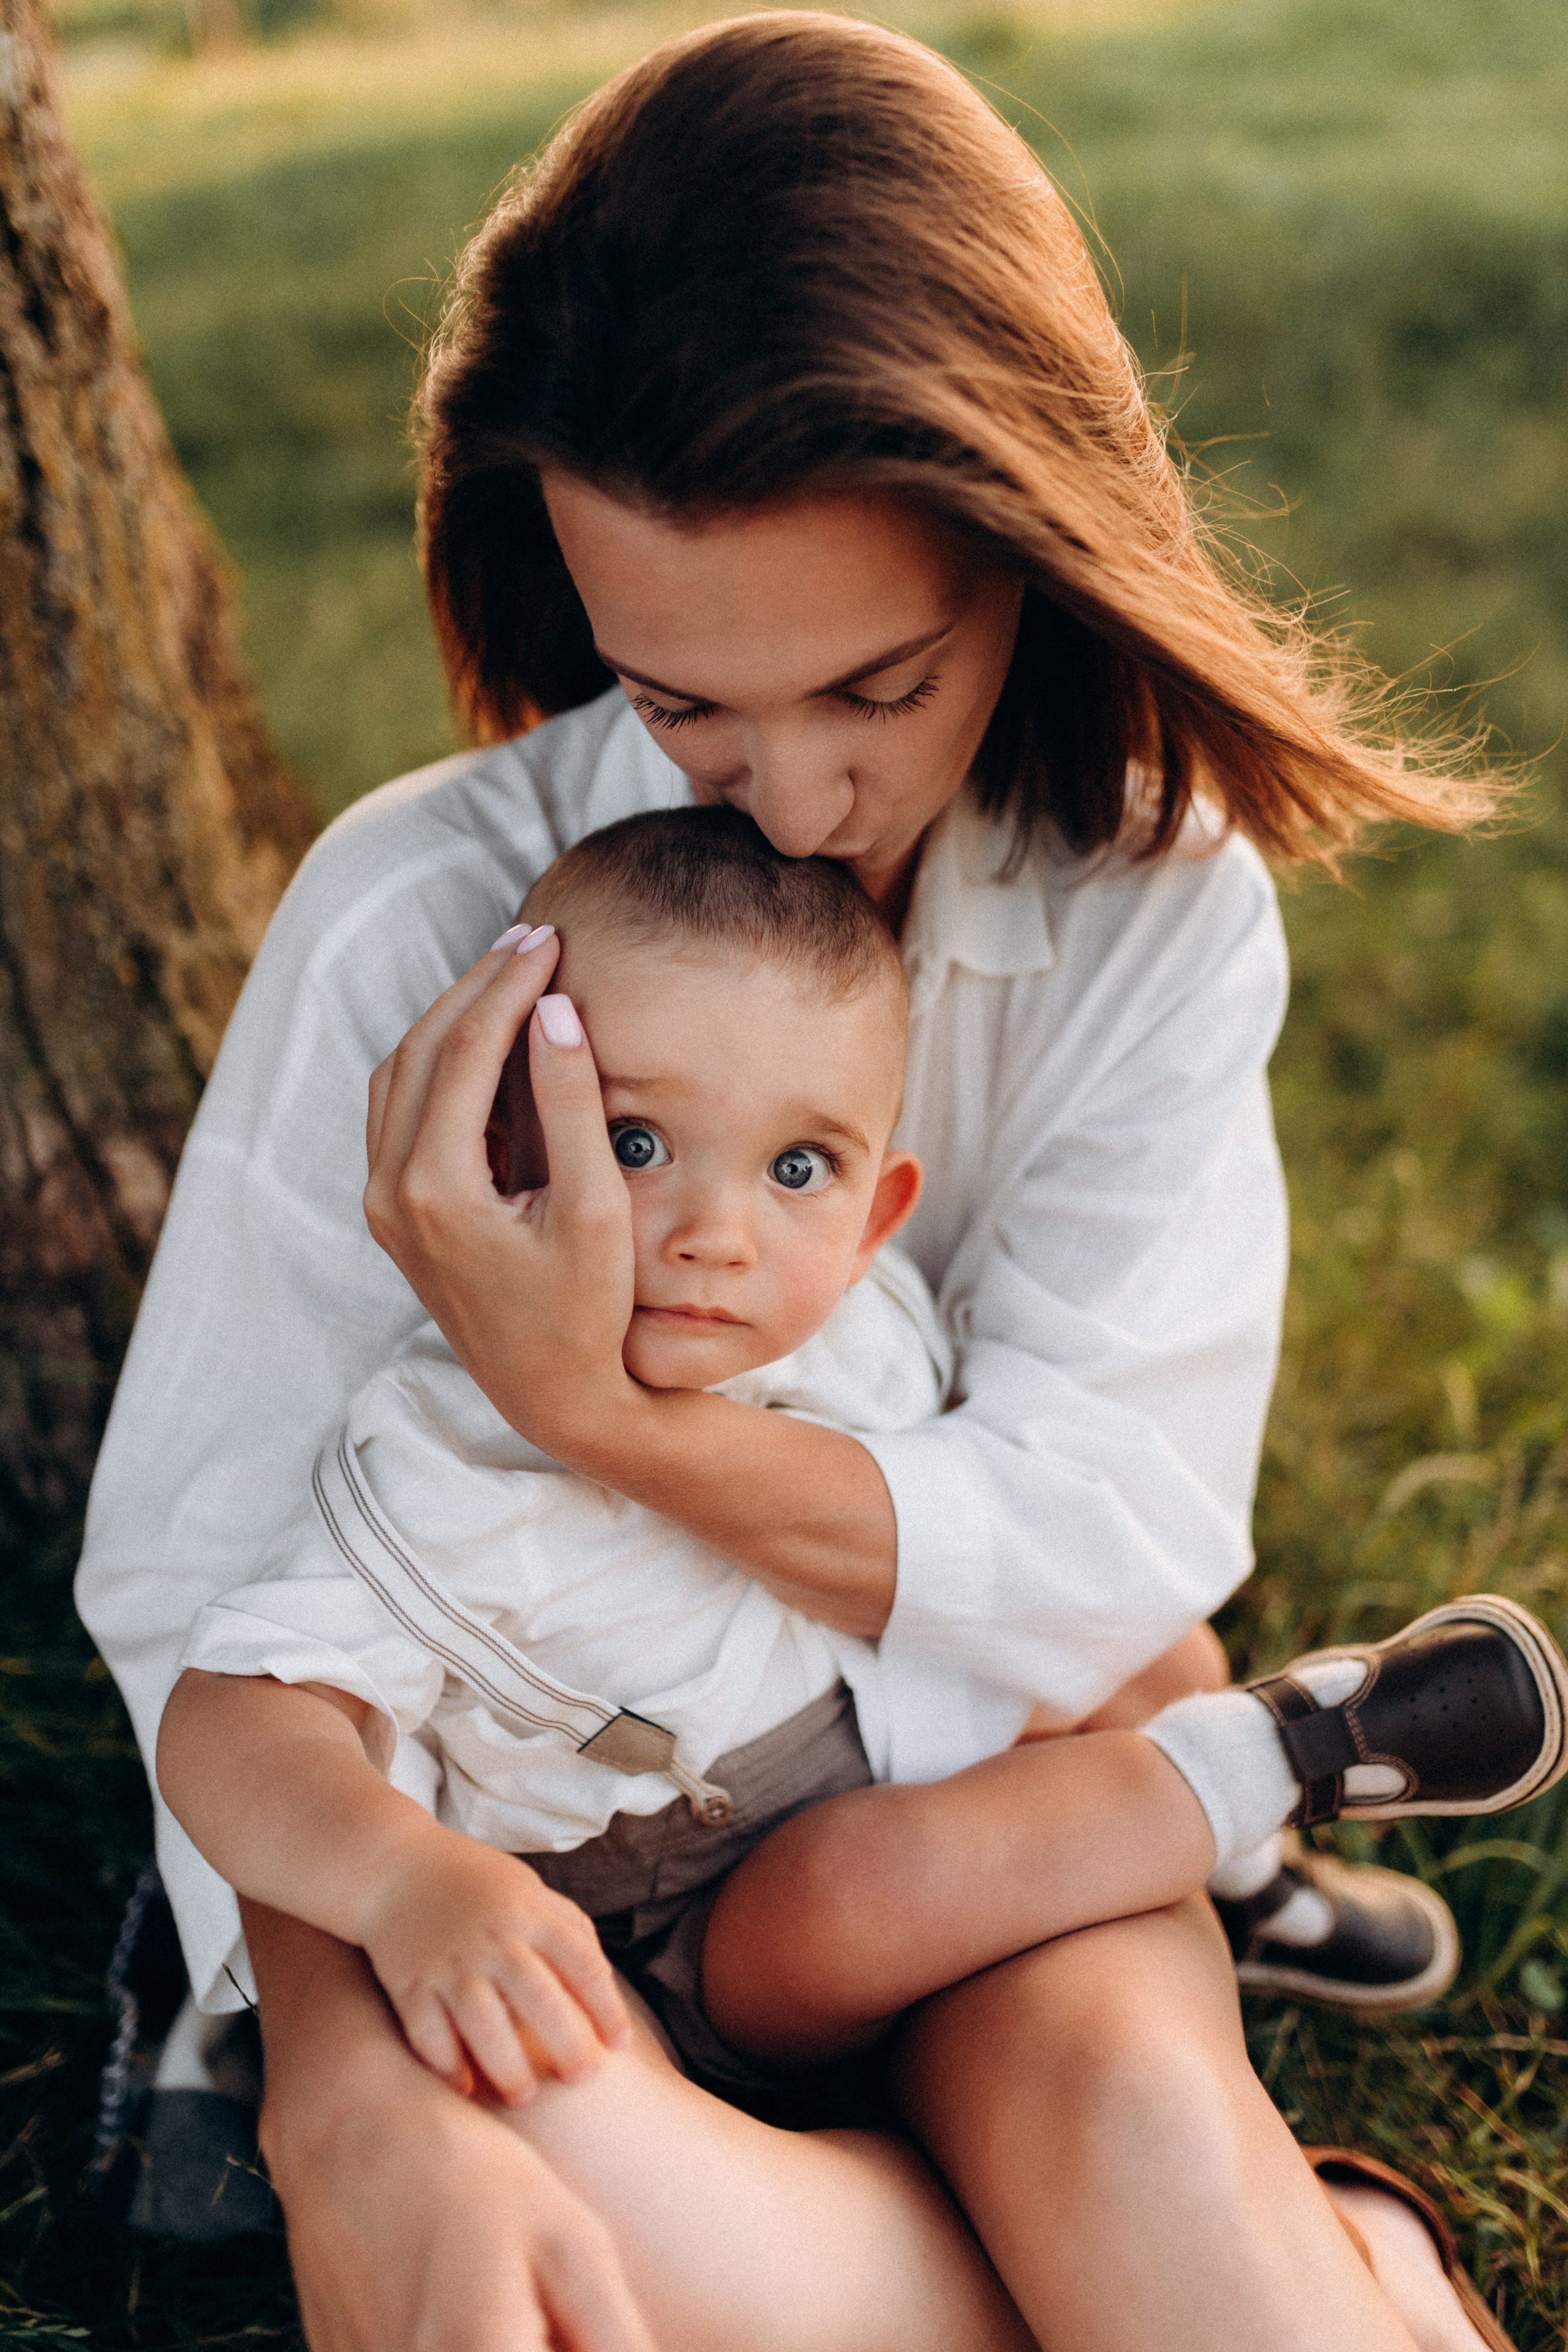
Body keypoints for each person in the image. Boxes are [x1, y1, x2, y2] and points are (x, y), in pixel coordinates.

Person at [76, 15, 1518, 2350]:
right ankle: (1353, 2251)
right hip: (520, 1866)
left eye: (876, 683)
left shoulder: (1151, 902)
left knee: (1163, 2207)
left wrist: (612, 1420)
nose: (786, 806)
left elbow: (1106, 1545)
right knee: (556, 2233)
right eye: (681, 705)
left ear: (1037, 547)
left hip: (947, 1804)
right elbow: (203, 1591)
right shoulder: (421, 920)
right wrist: (351, 2097)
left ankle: (1270, 2239)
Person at [153, 805, 1568, 2136]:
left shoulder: (855, 1330)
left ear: (880, 1209)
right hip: (688, 1909)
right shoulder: (446, 1458)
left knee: (1132, 1641)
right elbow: (233, 1721)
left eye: (795, 1170)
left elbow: (1013, 1543)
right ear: (504, 1145)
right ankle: (1284, 1756)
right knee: (857, 1893)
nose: (718, 1233)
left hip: (874, 1714)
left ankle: (1240, 1872)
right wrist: (413, 1885)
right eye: (637, 1144)